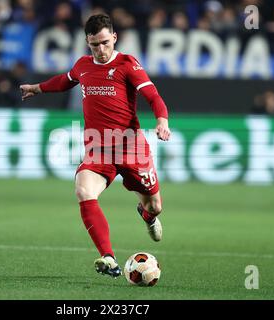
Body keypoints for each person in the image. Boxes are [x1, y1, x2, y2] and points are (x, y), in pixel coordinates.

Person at [20, 14, 171, 278]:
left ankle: (146, 216)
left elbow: (152, 95)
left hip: (131, 148)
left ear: (114, 38)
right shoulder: (83, 65)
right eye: (94, 45)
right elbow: (65, 80)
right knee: (83, 190)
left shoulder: (127, 64)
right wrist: (38, 88)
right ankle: (108, 257)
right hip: (99, 149)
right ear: (87, 43)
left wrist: (162, 121)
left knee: (154, 206)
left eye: (104, 43)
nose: (100, 51)